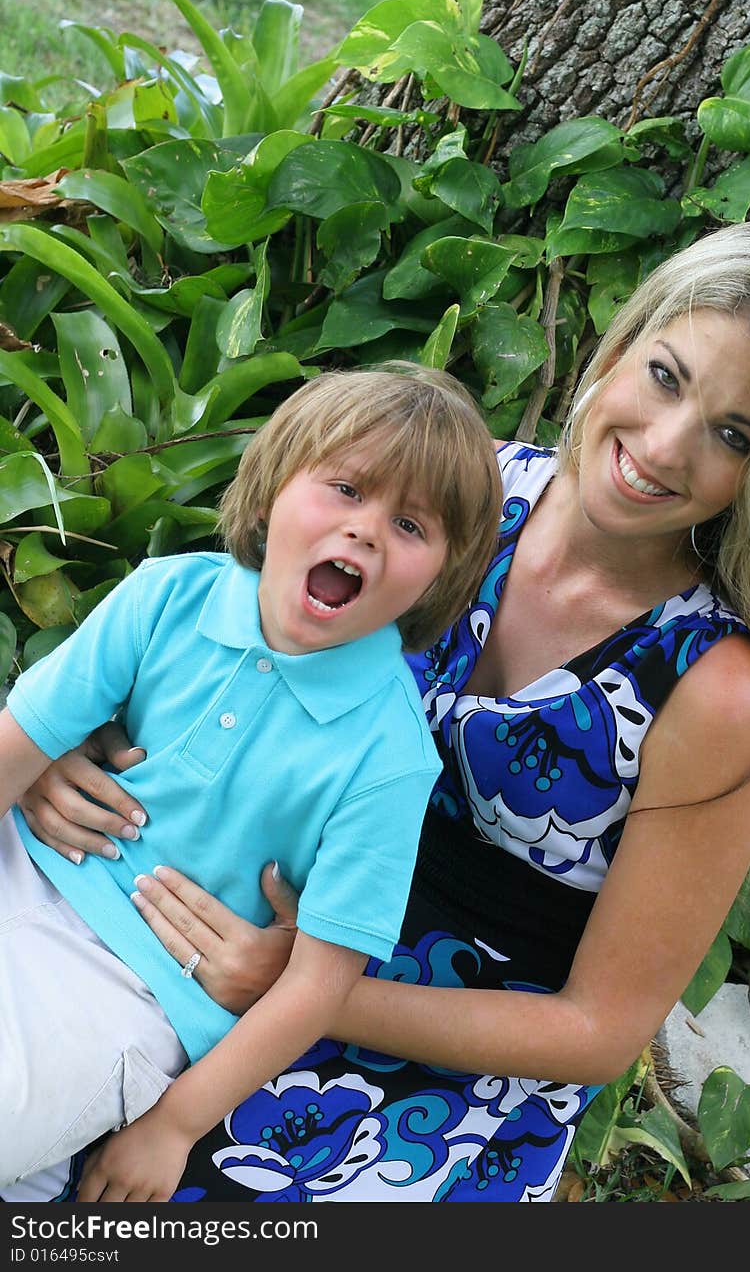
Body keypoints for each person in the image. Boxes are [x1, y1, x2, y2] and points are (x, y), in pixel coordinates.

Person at [17, 223, 750, 1204]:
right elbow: (223, 643)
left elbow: (598, 1031)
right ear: (626, 340)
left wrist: (300, 987)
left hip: (432, 1061)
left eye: (735, 435)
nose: (664, 444)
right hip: (245, 896)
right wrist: (66, 741)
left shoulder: (712, 686)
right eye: (667, 376)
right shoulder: (470, 492)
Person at [0, 364, 503, 1201]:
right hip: (22, 870)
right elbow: (18, 746)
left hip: (136, 991)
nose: (366, 530)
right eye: (344, 488)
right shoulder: (168, 596)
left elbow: (313, 989)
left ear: (440, 576)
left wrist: (174, 1126)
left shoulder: (390, 758)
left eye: (410, 524)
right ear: (271, 493)